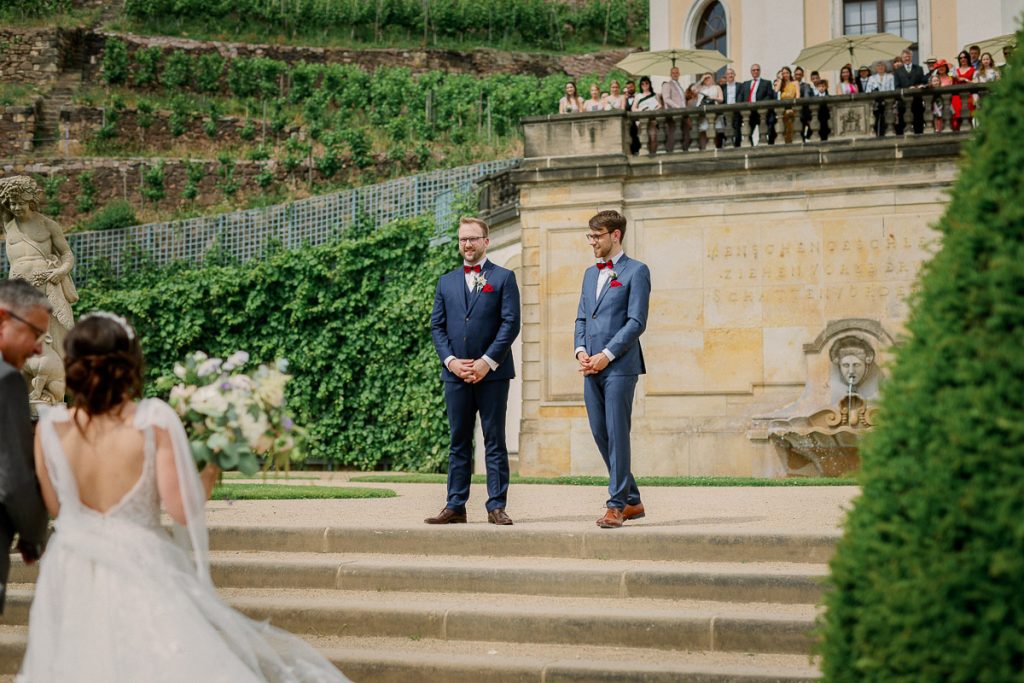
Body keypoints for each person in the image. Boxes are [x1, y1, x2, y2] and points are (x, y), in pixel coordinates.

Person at [19, 312, 349, 681]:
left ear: (73, 365)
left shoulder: (49, 428)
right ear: (130, 363)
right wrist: (214, 463)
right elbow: (181, 509)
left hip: (71, 566)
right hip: (140, 563)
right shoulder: (152, 421)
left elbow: (56, 507)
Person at [427, 217, 520, 526]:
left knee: (494, 440)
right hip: (455, 374)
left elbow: (510, 324)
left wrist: (486, 362)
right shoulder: (445, 282)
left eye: (473, 239)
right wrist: (451, 361)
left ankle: (496, 506)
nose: (467, 244)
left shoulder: (504, 278)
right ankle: (455, 505)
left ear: (486, 242)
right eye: (463, 239)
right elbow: (437, 327)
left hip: (493, 374)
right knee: (458, 441)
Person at [574, 210, 650, 529]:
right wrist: (581, 351)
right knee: (600, 432)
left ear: (615, 235)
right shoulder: (589, 274)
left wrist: (606, 355)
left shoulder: (637, 271)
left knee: (617, 433)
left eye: (597, 236)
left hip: (620, 366)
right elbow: (582, 317)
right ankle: (633, 500)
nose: (592, 241)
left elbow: (636, 322)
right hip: (590, 366)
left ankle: (616, 505)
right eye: (590, 236)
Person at [0, 280, 50, 615]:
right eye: (34, 333)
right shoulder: (6, 379)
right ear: (3, 319)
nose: (38, 350)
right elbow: (13, 478)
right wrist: (34, 534)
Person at [893, 49, 928, 134]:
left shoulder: (919, 69)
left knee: (918, 124)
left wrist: (915, 87)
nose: (907, 58)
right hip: (903, 102)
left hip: (917, 101)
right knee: (903, 125)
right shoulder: (898, 71)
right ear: (902, 58)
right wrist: (906, 90)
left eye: (908, 56)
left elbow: (923, 82)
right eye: (905, 57)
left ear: (911, 57)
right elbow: (897, 87)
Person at [740, 63, 775, 145]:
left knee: (763, 133)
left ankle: (762, 149)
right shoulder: (745, 84)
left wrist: (760, 104)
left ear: (760, 71)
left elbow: (769, 96)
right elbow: (741, 97)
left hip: (761, 112)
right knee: (747, 133)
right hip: (749, 113)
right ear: (751, 72)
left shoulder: (766, 83)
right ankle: (751, 149)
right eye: (753, 70)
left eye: (757, 70)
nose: (755, 71)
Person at [865, 60, 895, 136]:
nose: (880, 67)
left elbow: (893, 89)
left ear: (885, 67)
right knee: (876, 120)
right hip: (876, 104)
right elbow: (868, 91)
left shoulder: (890, 77)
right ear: (875, 68)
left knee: (887, 121)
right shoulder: (871, 78)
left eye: (882, 65)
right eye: (878, 66)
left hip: (888, 102)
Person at [632, 75, 661, 154]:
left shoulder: (655, 95)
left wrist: (652, 111)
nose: (645, 85)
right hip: (642, 121)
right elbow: (633, 108)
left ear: (649, 84)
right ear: (640, 85)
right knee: (644, 139)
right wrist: (641, 110)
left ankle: (653, 155)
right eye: (642, 84)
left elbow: (660, 106)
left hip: (652, 120)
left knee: (653, 138)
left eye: (646, 83)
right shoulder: (638, 96)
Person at [660, 66, 686, 153]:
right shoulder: (667, 85)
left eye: (676, 72)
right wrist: (677, 107)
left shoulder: (680, 86)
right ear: (670, 74)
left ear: (679, 74)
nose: (675, 74)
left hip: (683, 113)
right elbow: (666, 99)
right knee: (672, 133)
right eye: (673, 73)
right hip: (673, 113)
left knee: (681, 133)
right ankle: (671, 151)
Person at [694, 72, 722, 151]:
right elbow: (693, 89)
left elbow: (721, 99)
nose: (707, 79)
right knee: (703, 132)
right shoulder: (701, 88)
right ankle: (704, 150)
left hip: (714, 113)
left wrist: (712, 98)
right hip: (702, 113)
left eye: (709, 77)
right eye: (705, 78)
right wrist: (701, 80)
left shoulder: (717, 87)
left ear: (712, 78)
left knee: (714, 132)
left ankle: (714, 150)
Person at [774, 66, 799, 144]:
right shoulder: (781, 84)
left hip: (793, 108)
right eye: (783, 73)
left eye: (787, 73)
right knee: (784, 129)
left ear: (790, 73)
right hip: (783, 110)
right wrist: (780, 79)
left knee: (792, 129)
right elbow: (776, 90)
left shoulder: (795, 83)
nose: (785, 75)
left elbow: (798, 96)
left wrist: (794, 108)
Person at [718, 67, 742, 148]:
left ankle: (737, 146)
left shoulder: (740, 85)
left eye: (732, 73)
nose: (730, 75)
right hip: (726, 112)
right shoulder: (722, 87)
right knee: (727, 129)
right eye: (728, 74)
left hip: (737, 111)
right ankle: (729, 145)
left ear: (734, 75)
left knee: (737, 129)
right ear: (726, 76)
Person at [951, 50, 975, 130]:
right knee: (956, 120)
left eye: (964, 57)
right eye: (961, 58)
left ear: (968, 58)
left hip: (968, 97)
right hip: (956, 98)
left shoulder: (972, 69)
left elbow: (975, 82)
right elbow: (951, 81)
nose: (963, 59)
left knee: (968, 119)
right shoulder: (956, 71)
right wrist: (952, 76)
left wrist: (965, 79)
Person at [624, 80, 641, 155]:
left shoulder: (639, 96)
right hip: (629, 123)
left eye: (631, 87)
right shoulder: (625, 98)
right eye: (628, 88)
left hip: (638, 121)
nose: (630, 89)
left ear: (634, 87)